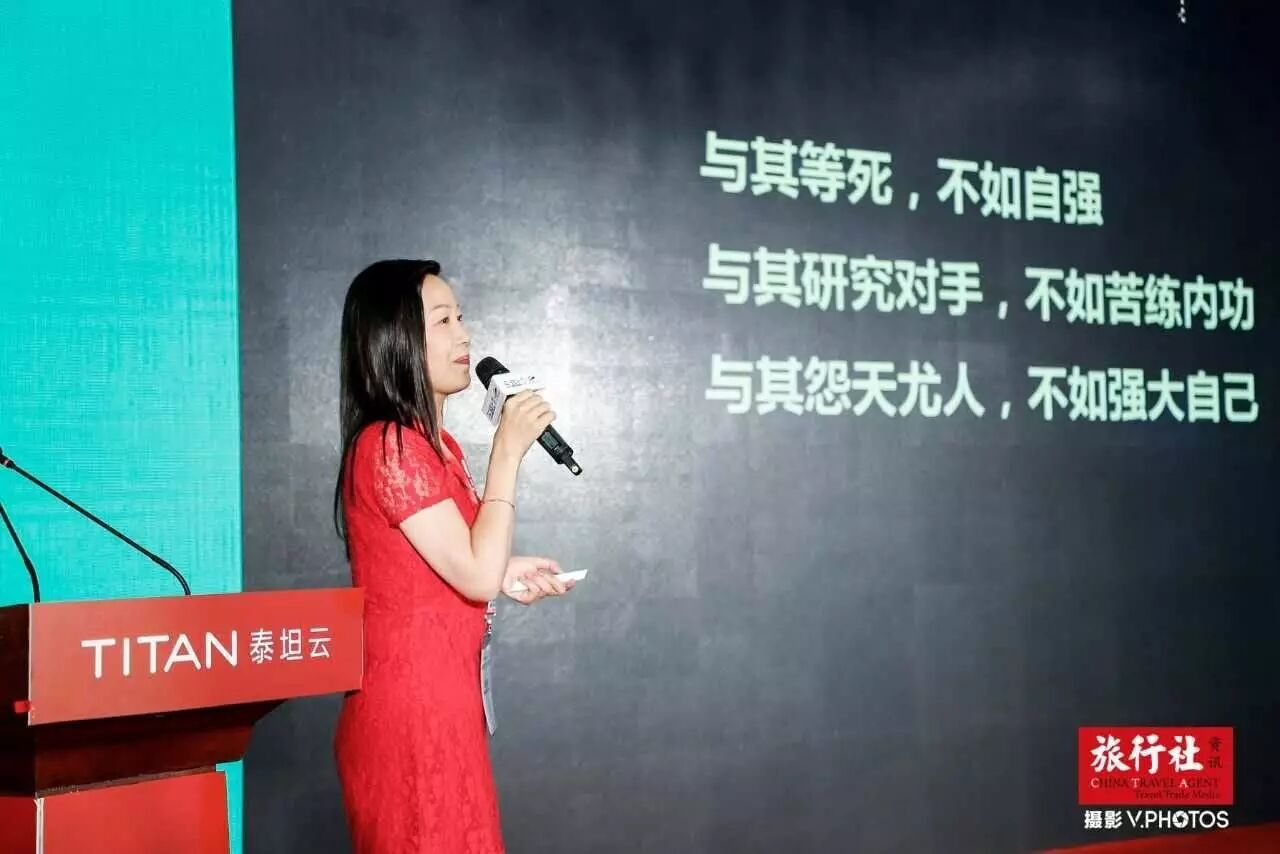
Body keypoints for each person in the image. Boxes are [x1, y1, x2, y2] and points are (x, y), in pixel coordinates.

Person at [331, 259, 574, 853]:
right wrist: (507, 453)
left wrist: (505, 573)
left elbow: (454, 564)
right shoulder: (389, 446)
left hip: (448, 706)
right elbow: (473, 573)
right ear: (396, 340)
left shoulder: (438, 446)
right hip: (410, 716)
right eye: (443, 321)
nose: (464, 335)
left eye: (460, 318)